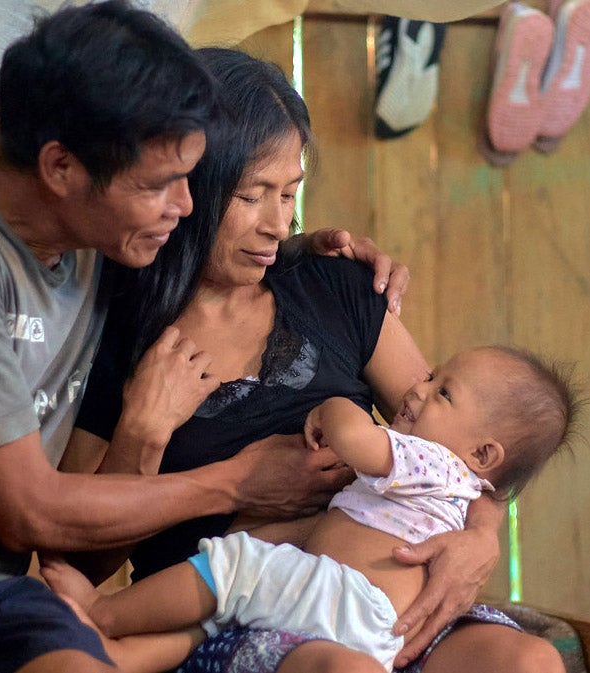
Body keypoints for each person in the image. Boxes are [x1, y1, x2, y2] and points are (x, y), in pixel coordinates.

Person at [0, 4, 403, 672]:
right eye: (160, 184)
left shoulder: (96, 243)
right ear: (61, 168)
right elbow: (28, 512)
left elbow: (216, 255)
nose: (185, 205)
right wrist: (236, 482)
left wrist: (308, 250)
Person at [57, 47, 568, 673]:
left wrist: (481, 541)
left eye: (290, 194)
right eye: (253, 196)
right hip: (241, 608)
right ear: (190, 184)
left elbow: (465, 442)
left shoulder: (336, 287)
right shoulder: (121, 330)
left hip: (387, 605)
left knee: (528, 661)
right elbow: (81, 562)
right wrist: (143, 433)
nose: (278, 223)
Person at [46, 345, 578, 673]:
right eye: (431, 375)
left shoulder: (431, 461)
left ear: (483, 455)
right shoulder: (463, 485)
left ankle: (101, 615)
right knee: (229, 603)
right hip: (368, 627)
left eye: (442, 392)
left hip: (344, 599)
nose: (415, 388)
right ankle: (123, 657)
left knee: (232, 572)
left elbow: (355, 440)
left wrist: (336, 408)